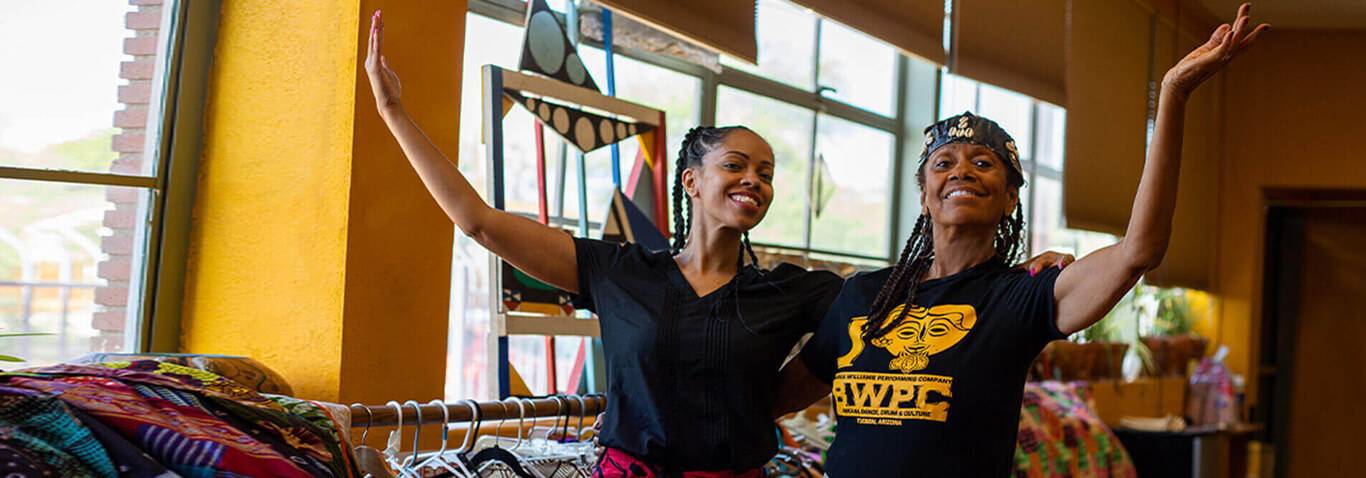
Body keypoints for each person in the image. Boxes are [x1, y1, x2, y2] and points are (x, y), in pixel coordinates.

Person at [364, 11, 1071, 476]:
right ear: (692, 180)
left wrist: (1031, 273)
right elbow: (479, 221)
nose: (755, 181)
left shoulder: (803, 291)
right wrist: (395, 112)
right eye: (736, 166)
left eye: (767, 173)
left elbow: (913, 294)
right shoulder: (617, 271)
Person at [779, 4, 1268, 477]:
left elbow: (1139, 250)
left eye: (983, 162)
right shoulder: (864, 295)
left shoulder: (1019, 295)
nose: (961, 170)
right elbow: (772, 401)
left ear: (1010, 199)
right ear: (924, 196)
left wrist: (1172, 96)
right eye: (943, 163)